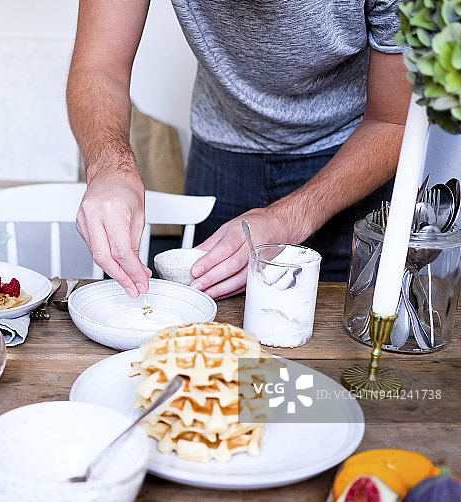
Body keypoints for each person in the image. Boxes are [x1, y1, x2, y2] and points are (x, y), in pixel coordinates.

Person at [67, 0, 413, 300]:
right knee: (212, 336)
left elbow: (393, 121)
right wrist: (111, 168)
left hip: (351, 159)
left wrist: (290, 217)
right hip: (221, 154)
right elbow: (100, 65)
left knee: (330, 342)